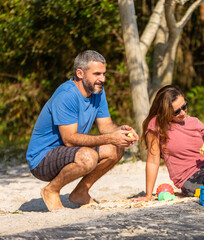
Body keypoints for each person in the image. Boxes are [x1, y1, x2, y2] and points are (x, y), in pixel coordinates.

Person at [26, 50, 139, 211]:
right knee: (88, 157)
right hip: (42, 159)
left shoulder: (97, 91)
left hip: (66, 151)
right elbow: (69, 139)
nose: (102, 79)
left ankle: (80, 191)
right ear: (80, 73)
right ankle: (51, 190)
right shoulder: (66, 95)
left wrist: (120, 131)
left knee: (116, 148)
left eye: (104, 74)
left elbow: (106, 126)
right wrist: (110, 138)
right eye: (97, 74)